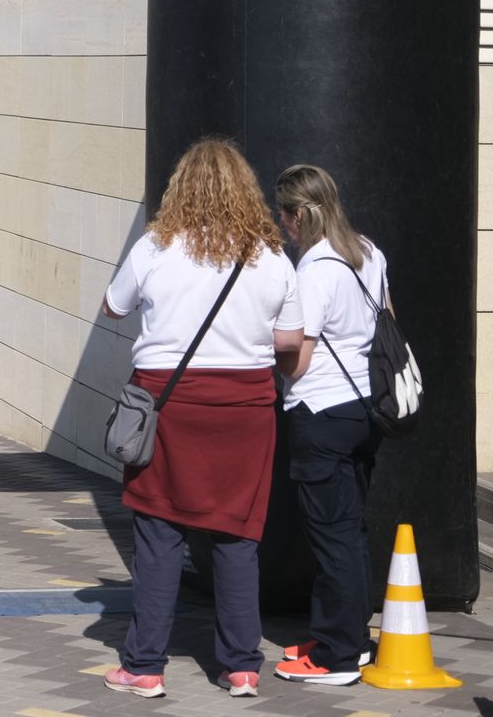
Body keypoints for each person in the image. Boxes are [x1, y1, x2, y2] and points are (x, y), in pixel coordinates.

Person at [100, 138, 302, 700]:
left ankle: (144, 667)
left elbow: (113, 306)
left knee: (159, 533)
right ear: (245, 190)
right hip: (246, 408)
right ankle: (241, 667)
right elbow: (289, 338)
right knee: (238, 535)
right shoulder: (270, 256)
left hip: (167, 403)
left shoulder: (154, 247)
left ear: (180, 189)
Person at [271, 164, 387, 686]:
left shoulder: (315, 270)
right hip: (366, 409)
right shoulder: (369, 252)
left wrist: (268, 351)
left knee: (332, 538)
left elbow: (298, 360)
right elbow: (386, 321)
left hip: (320, 414)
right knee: (350, 531)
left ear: (299, 215)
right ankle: (350, 638)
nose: (281, 224)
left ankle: (336, 657)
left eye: (283, 214)